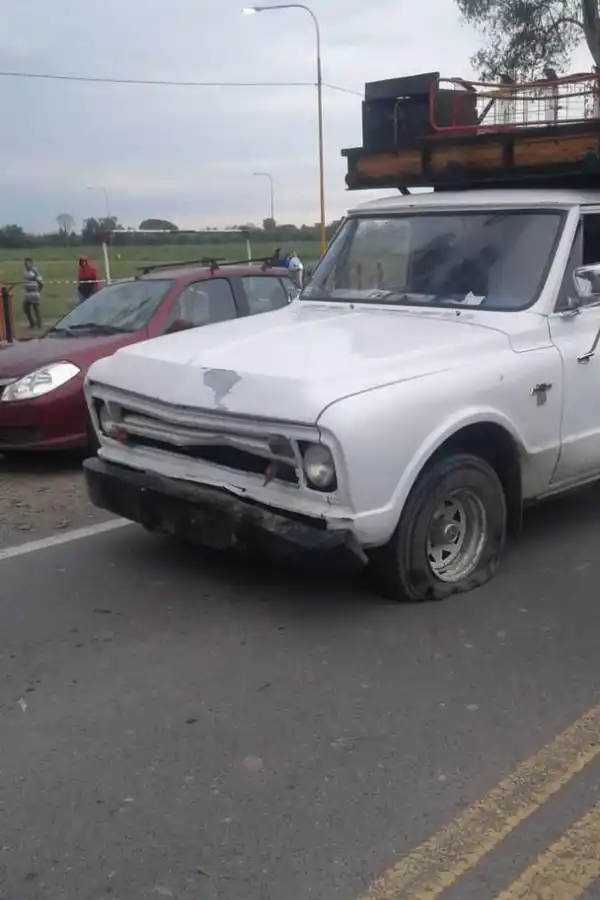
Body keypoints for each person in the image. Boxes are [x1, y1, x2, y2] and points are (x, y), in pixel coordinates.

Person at [22, 257, 43, 329]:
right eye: (25, 264)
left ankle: (39, 324)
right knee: (25, 308)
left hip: (34, 293)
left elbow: (41, 282)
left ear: (31, 263)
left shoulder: (35, 271)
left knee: (36, 309)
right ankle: (32, 323)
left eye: (28, 263)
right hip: (27, 294)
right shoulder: (25, 272)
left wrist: (39, 291)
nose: (26, 265)